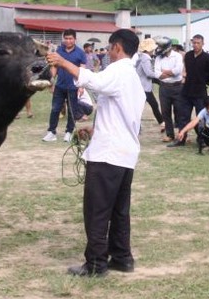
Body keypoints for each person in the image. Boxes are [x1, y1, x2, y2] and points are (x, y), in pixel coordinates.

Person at [46, 28, 145, 277]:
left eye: (110, 48)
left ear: (117, 48)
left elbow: (94, 80)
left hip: (108, 155)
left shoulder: (118, 70)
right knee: (118, 211)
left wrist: (62, 62)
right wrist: (95, 129)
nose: (109, 52)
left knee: (97, 210)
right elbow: (120, 113)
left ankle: (96, 264)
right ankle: (121, 256)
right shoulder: (132, 77)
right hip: (124, 153)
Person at [43, 29, 88, 143]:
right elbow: (54, 66)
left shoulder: (80, 53)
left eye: (70, 39)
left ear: (75, 39)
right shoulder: (59, 50)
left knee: (72, 111)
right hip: (60, 86)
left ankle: (69, 132)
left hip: (73, 87)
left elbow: (82, 70)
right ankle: (51, 132)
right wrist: (51, 81)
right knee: (55, 109)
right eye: (66, 38)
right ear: (63, 39)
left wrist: (81, 86)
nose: (68, 41)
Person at [154, 36, 187, 146]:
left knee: (179, 112)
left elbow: (177, 71)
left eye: (160, 46)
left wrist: (164, 72)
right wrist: (169, 73)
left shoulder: (177, 56)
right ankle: (169, 134)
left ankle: (181, 134)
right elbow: (157, 74)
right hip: (164, 87)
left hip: (177, 87)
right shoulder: (159, 58)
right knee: (165, 112)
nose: (158, 48)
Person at [181, 34, 209, 123]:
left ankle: (201, 136)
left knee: (201, 117)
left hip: (200, 93)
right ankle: (182, 136)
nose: (196, 45)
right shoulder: (188, 55)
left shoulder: (207, 58)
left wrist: (206, 83)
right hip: (187, 91)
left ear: (202, 44)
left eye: (198, 43)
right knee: (184, 116)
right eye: (194, 43)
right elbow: (186, 70)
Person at [135, 38, 165, 130]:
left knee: (153, 105)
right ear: (149, 50)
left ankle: (161, 122)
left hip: (143, 87)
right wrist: (160, 75)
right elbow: (149, 73)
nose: (154, 50)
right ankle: (161, 122)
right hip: (144, 88)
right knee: (148, 106)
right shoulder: (145, 59)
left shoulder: (142, 57)